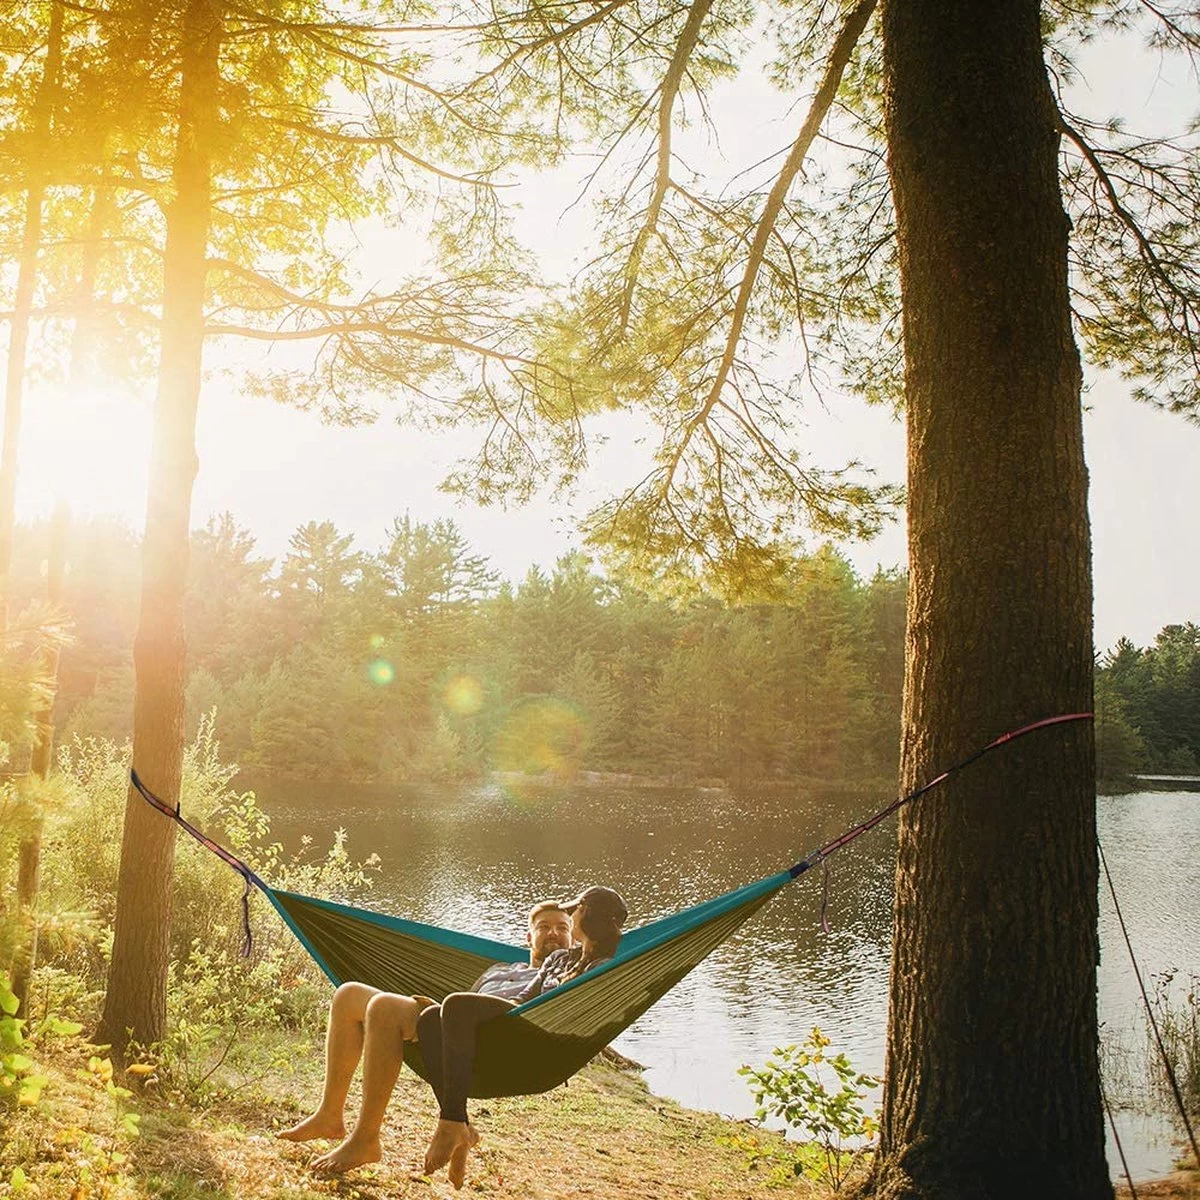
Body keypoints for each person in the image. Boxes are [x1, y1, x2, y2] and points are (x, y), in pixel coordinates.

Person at [278, 900, 574, 1174]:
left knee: (385, 1007)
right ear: (528, 938)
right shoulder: (499, 969)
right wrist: (439, 1012)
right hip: (455, 1028)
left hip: (506, 1048)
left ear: (574, 939)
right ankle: (330, 1115)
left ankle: (365, 1139)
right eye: (544, 927)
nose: (553, 933)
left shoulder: (565, 972)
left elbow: (559, 1008)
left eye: (563, 928)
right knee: (349, 995)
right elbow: (468, 1004)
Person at [418, 885, 628, 1189]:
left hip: (544, 1042)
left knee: (455, 1005)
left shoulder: (603, 968)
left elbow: (583, 1010)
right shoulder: (559, 959)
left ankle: (450, 1123)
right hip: (522, 1021)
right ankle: (459, 1126)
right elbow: (528, 996)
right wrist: (496, 1012)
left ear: (588, 917)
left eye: (576, 911)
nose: (571, 916)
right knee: (429, 1020)